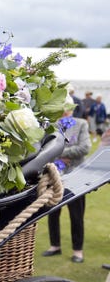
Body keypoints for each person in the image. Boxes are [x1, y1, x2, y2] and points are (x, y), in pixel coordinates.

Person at [42, 96, 91, 263]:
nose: (64, 110)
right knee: (52, 212)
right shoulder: (52, 125)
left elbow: (85, 147)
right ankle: (54, 246)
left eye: (67, 106)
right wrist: (60, 157)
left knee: (76, 214)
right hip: (55, 174)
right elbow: (46, 148)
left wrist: (61, 154)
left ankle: (78, 251)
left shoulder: (81, 124)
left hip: (76, 175)